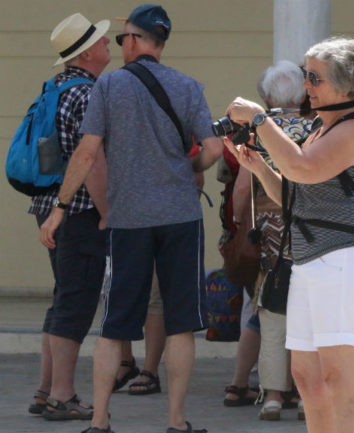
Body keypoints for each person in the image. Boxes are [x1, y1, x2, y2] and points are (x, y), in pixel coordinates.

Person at [39, 5, 223, 433]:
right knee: (181, 323)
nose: (121, 45)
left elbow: (87, 154)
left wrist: (60, 208)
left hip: (128, 220)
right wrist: (189, 171)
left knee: (115, 324)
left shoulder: (109, 88)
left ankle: (101, 420)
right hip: (180, 217)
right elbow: (213, 150)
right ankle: (177, 421)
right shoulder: (188, 86)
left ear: (137, 40)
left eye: (123, 38)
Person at [224, 37, 354, 433]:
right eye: (304, 74)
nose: (306, 85)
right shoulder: (319, 129)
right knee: (308, 378)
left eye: (313, 76)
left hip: (343, 262)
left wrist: (261, 119)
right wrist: (259, 167)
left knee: (339, 380)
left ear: (344, 84)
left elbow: (303, 169)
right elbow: (294, 194)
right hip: (311, 264)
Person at [25, 12, 111, 421]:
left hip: (48, 208)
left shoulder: (55, 88)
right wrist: (107, 211)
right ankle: (62, 395)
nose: (109, 46)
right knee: (76, 303)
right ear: (89, 52)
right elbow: (90, 159)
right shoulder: (89, 94)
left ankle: (45, 390)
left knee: (62, 300)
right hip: (78, 212)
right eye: (103, 42)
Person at [225, 61, 314, 422]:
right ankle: (307, 398)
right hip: (310, 230)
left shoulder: (260, 131)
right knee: (308, 315)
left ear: (265, 96)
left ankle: (274, 396)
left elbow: (243, 188)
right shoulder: (318, 127)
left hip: (272, 232)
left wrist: (238, 226)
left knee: (273, 313)